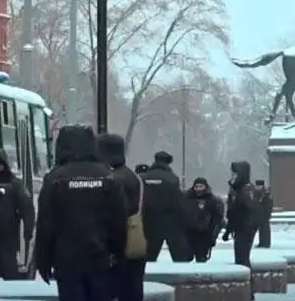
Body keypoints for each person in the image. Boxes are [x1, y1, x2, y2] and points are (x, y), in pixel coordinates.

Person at [34, 125, 128, 301]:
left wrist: (43, 259)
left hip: (66, 259)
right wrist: (117, 253)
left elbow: (46, 223)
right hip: (100, 256)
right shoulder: (107, 176)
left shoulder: (56, 178)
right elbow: (118, 220)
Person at [98, 133, 147, 301]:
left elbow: (115, 216)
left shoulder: (114, 180)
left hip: (120, 247)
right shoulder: (132, 176)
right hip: (135, 244)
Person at [0, 149, 35, 279]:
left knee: (10, 274)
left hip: (8, 241)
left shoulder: (14, 185)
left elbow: (27, 209)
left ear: (3, 166)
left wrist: (28, 231)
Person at [140, 151, 191, 262]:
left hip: (148, 220)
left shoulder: (144, 177)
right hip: (169, 221)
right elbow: (177, 202)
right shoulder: (172, 178)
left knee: (148, 256)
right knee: (179, 256)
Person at [222, 161, 259, 300]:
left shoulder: (246, 189)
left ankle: (249, 292)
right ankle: (245, 291)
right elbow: (232, 211)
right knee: (240, 258)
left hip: (246, 228)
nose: (233, 175)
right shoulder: (236, 188)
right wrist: (228, 229)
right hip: (239, 227)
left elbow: (249, 208)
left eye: (236, 173)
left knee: (243, 259)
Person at [183, 177, 224, 263]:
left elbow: (217, 220)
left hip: (204, 234)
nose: (198, 189)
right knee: (185, 259)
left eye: (201, 186)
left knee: (201, 259)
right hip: (188, 234)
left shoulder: (212, 200)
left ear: (205, 187)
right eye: (196, 186)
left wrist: (213, 236)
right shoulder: (186, 198)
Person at [254, 179, 273, 248]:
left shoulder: (266, 194)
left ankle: (266, 243)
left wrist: (268, 213)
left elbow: (269, 204)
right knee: (261, 230)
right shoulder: (257, 193)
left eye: (259, 186)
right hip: (259, 214)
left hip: (265, 214)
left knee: (265, 230)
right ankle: (262, 242)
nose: (257, 187)